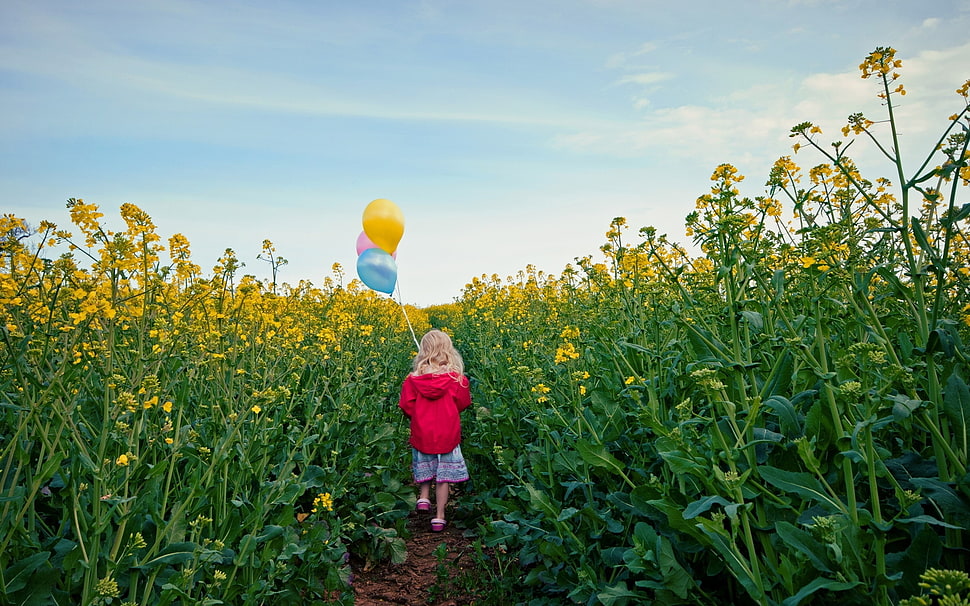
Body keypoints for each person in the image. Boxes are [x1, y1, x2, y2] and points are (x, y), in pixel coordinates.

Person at [399, 329, 472, 532]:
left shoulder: (412, 379)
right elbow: (463, 403)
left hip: (423, 431)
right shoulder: (457, 379)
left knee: (425, 465)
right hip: (447, 433)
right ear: (448, 350)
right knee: (443, 476)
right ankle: (439, 517)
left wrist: (420, 416)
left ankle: (423, 497)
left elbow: (406, 405)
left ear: (423, 351)